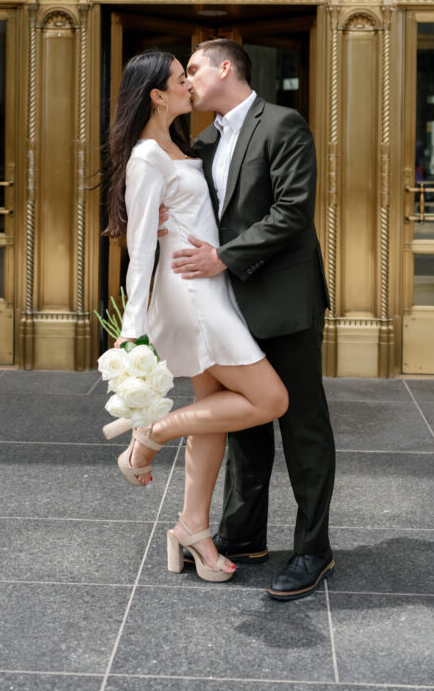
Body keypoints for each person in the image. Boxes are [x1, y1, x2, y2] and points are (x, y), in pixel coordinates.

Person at [103, 48, 289, 585]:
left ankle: (192, 528)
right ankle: (150, 436)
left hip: (213, 287)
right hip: (190, 296)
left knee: (214, 416)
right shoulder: (145, 159)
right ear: (158, 95)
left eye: (190, 74)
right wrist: (131, 329)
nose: (189, 84)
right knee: (269, 398)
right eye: (180, 79)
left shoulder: (183, 147)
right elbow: (141, 251)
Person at [165, 38, 336, 601]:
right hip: (230, 304)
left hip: (285, 300)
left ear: (225, 68)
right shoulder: (206, 139)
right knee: (245, 427)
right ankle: (245, 535)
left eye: (193, 69)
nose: (188, 80)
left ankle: (314, 550)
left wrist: (223, 259)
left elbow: (293, 210)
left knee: (303, 426)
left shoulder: (283, 123)